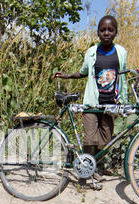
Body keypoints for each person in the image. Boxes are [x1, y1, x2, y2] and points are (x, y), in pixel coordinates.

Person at [53, 15, 128, 182]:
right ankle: (85, 169)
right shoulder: (92, 52)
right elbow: (84, 72)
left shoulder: (121, 52)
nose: (106, 33)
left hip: (111, 103)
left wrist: (123, 98)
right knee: (90, 138)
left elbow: (122, 77)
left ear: (116, 32)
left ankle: (96, 165)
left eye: (110, 30)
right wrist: (66, 76)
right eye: (103, 30)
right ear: (98, 33)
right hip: (92, 102)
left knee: (106, 139)